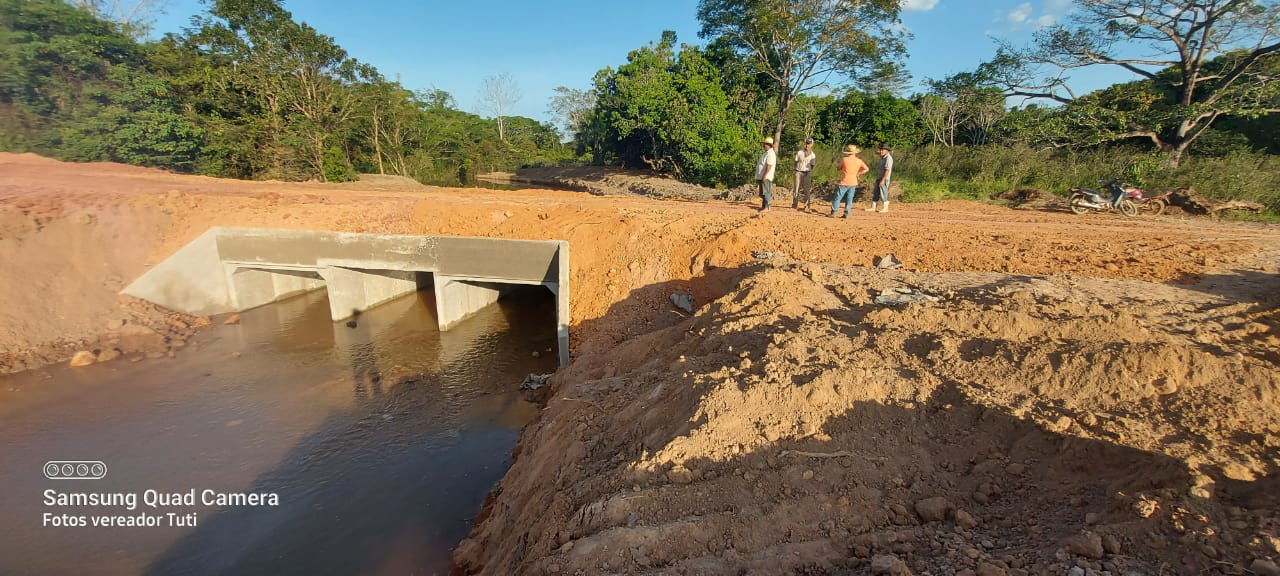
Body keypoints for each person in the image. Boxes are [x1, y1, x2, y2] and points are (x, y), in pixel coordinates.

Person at [831, 145, 869, 218]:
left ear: (848, 152)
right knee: (849, 198)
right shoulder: (859, 161)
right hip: (853, 182)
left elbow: (839, 167)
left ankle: (834, 212)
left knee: (838, 197)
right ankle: (846, 213)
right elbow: (866, 169)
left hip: (844, 181)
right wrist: (858, 173)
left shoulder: (844, 159)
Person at [792, 138, 817, 211]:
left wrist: (808, 171)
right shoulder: (799, 152)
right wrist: (796, 170)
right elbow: (795, 162)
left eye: (809, 143)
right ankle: (794, 204)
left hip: (807, 172)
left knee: (806, 190)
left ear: (812, 144)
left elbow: (812, 165)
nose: (807, 145)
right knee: (796, 188)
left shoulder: (813, 155)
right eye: (806, 143)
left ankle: (806, 205)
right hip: (798, 171)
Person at [869, 143, 893, 213]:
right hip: (879, 176)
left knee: (883, 192)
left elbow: (887, 170)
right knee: (876, 192)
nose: (881, 151)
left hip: (884, 178)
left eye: (882, 150)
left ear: (887, 151)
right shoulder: (883, 156)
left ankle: (885, 207)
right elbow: (877, 153)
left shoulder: (888, 158)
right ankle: (873, 207)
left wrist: (883, 180)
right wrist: (878, 152)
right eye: (880, 150)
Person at [755, 136, 777, 211]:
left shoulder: (771, 154)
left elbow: (769, 165)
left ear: (768, 145)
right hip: (762, 176)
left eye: (765, 144)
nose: (764, 145)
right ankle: (764, 206)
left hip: (766, 176)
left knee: (766, 191)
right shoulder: (766, 153)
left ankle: (767, 206)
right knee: (763, 192)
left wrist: (765, 175)